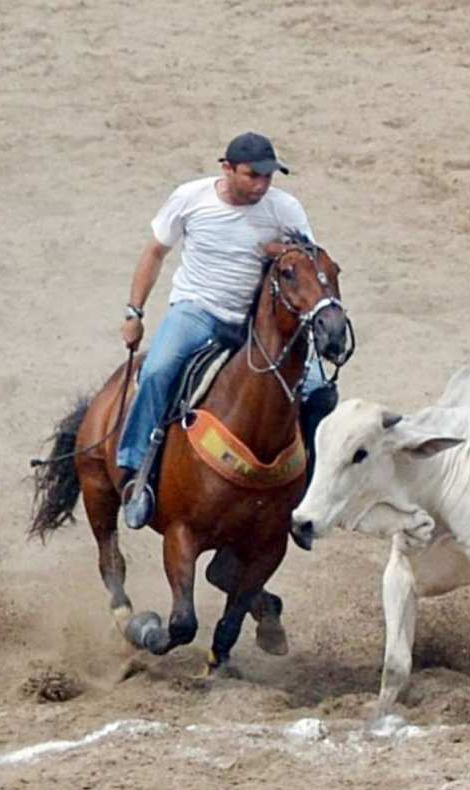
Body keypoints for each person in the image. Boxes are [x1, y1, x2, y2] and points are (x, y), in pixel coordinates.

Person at [116, 132, 337, 529]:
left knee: (320, 390)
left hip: (257, 326)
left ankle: (310, 486)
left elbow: (308, 262)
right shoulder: (191, 199)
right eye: (253, 176)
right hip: (198, 312)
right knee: (157, 372)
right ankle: (136, 472)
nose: (261, 186)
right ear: (227, 169)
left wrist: (277, 252)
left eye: (268, 177)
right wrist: (134, 311)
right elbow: (154, 251)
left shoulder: (284, 209)